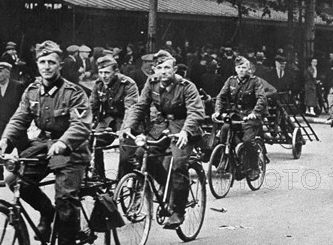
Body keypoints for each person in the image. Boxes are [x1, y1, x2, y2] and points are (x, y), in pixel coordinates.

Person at [0, 40, 92, 245]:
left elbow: (81, 125)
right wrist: (5, 140)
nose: (46, 67)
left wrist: (63, 143)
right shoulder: (32, 91)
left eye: (51, 62)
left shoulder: (73, 93)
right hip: (42, 144)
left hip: (71, 149)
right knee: (15, 179)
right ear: (37, 64)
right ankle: (47, 212)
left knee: (66, 197)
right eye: (42, 62)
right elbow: (19, 119)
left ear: (59, 65)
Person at [123, 50, 205, 229]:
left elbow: (196, 112)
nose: (163, 71)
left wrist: (185, 132)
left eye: (167, 67)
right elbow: (140, 106)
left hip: (183, 127)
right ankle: (168, 190)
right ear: (154, 70)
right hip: (161, 127)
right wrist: (128, 126)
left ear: (174, 69)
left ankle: (178, 211)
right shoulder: (151, 83)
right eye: (159, 68)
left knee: (178, 163)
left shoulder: (186, 86)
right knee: (140, 154)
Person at [212, 56, 267, 179]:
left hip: (250, 116)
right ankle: (225, 160)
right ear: (235, 69)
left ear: (248, 69)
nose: (241, 70)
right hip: (236, 114)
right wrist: (217, 111)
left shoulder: (255, 81)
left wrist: (254, 112)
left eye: (244, 67)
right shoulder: (231, 81)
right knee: (224, 131)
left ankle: (254, 166)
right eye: (239, 67)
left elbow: (261, 98)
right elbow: (221, 97)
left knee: (248, 141)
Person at [90, 55, 139, 179]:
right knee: (93, 143)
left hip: (129, 121)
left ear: (116, 71)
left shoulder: (128, 84)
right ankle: (99, 179)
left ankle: (125, 186)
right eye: (101, 72)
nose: (104, 76)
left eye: (107, 72)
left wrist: (125, 129)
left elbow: (131, 109)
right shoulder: (99, 84)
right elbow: (92, 106)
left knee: (126, 158)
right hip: (109, 121)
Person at [0, 61, 26, 188]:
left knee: (23, 150)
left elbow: (25, 106)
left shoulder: (18, 86)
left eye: (0, 71)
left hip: (17, 124)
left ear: (8, 72)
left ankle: (23, 176)